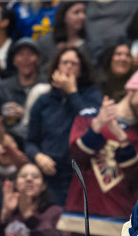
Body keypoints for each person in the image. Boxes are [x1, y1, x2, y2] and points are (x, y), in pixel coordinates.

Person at [67, 66, 138, 222]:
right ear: (131, 90)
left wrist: (122, 139)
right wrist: (97, 126)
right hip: (81, 213)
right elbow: (76, 156)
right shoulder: (89, 117)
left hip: (120, 218)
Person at [25, 48, 103, 207]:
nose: (68, 67)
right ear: (56, 68)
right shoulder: (43, 101)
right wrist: (38, 156)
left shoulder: (92, 95)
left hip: (79, 174)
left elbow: (91, 124)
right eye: (64, 62)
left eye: (74, 63)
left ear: (81, 70)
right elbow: (30, 141)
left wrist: (72, 93)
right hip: (48, 173)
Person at [34, 1, 89, 79]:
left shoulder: (88, 43)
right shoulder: (45, 41)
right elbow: (39, 71)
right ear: (63, 15)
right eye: (76, 12)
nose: (82, 16)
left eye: (84, 12)